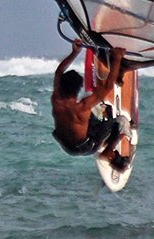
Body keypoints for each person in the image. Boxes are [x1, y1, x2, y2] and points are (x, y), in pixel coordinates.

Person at [51, 40, 130, 168]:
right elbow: (108, 86)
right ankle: (108, 151)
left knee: (95, 112)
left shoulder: (56, 100)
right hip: (87, 147)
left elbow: (58, 72)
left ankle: (99, 138)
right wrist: (117, 58)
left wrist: (74, 53)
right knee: (121, 122)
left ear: (61, 86)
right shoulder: (82, 107)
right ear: (77, 89)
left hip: (66, 146)